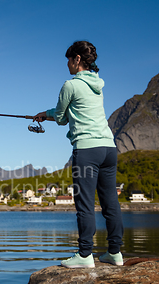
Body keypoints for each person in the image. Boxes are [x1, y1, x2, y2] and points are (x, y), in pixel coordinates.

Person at [33, 41, 124, 268]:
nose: (67, 64)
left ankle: (85, 255)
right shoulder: (98, 85)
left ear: (77, 60)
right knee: (110, 203)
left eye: (68, 59)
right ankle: (115, 253)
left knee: (84, 203)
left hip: (87, 150)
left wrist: (46, 114)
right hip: (109, 148)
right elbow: (72, 111)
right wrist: (47, 114)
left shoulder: (70, 85)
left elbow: (63, 118)